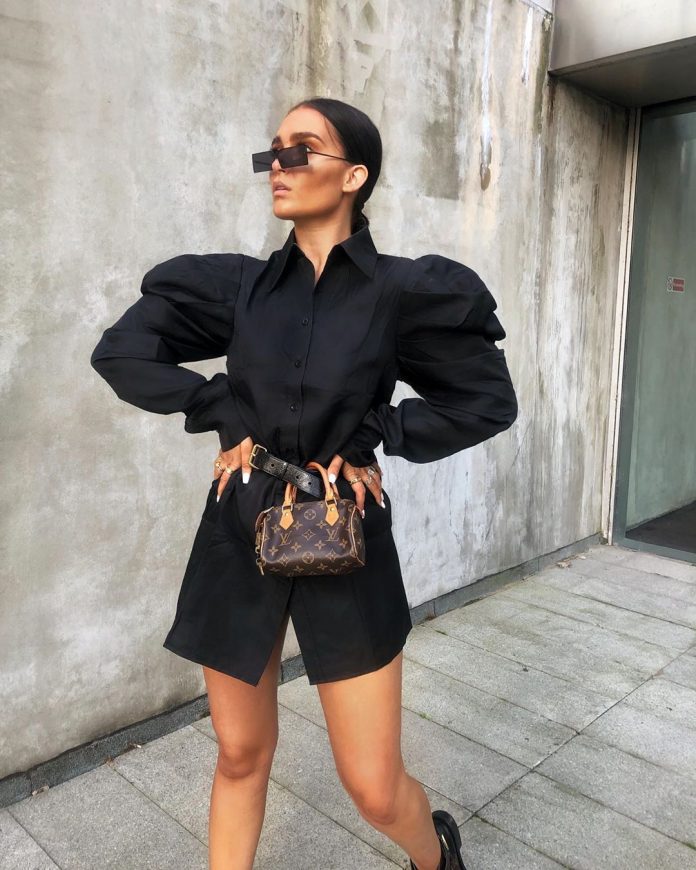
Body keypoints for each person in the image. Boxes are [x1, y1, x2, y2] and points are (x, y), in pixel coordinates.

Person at [90, 96, 518, 870]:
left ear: (354, 175)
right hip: (238, 530)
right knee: (239, 754)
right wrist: (220, 407)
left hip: (345, 535)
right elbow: (121, 352)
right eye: (272, 151)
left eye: (301, 150)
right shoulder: (238, 289)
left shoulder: (403, 293)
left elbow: (485, 401)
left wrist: (375, 432)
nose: (277, 166)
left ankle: (437, 855)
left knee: (374, 787)